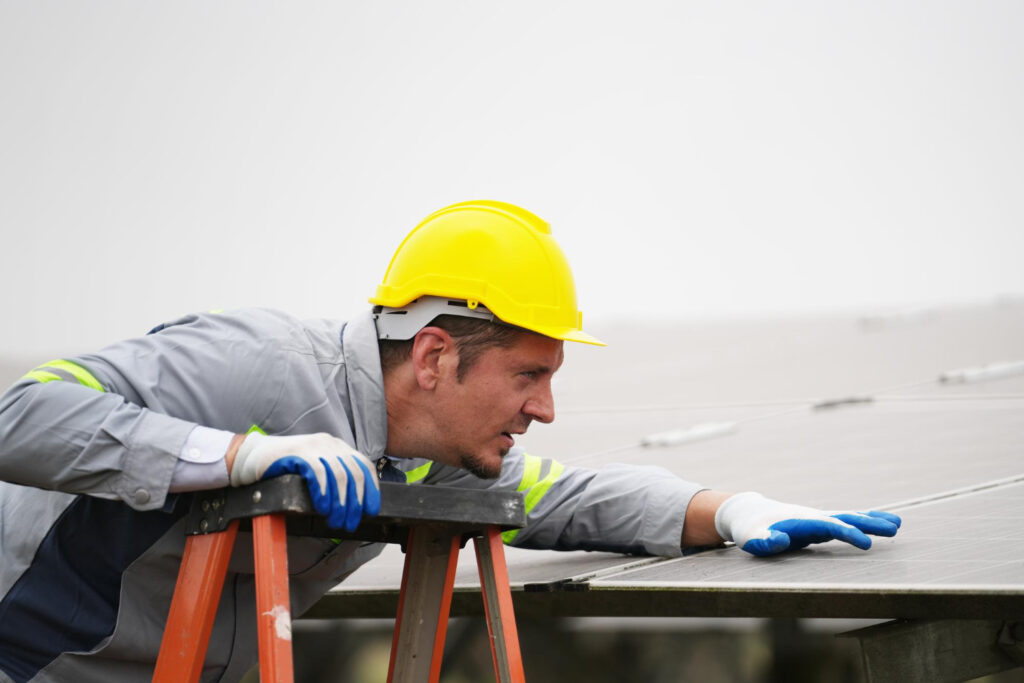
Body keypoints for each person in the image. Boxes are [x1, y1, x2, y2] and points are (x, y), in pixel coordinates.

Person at [0, 200, 900, 682]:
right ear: (434, 355)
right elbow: (21, 416)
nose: (544, 408)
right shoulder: (253, 367)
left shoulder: (429, 449)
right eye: (528, 375)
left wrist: (732, 508)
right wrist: (238, 456)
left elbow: (563, 496)